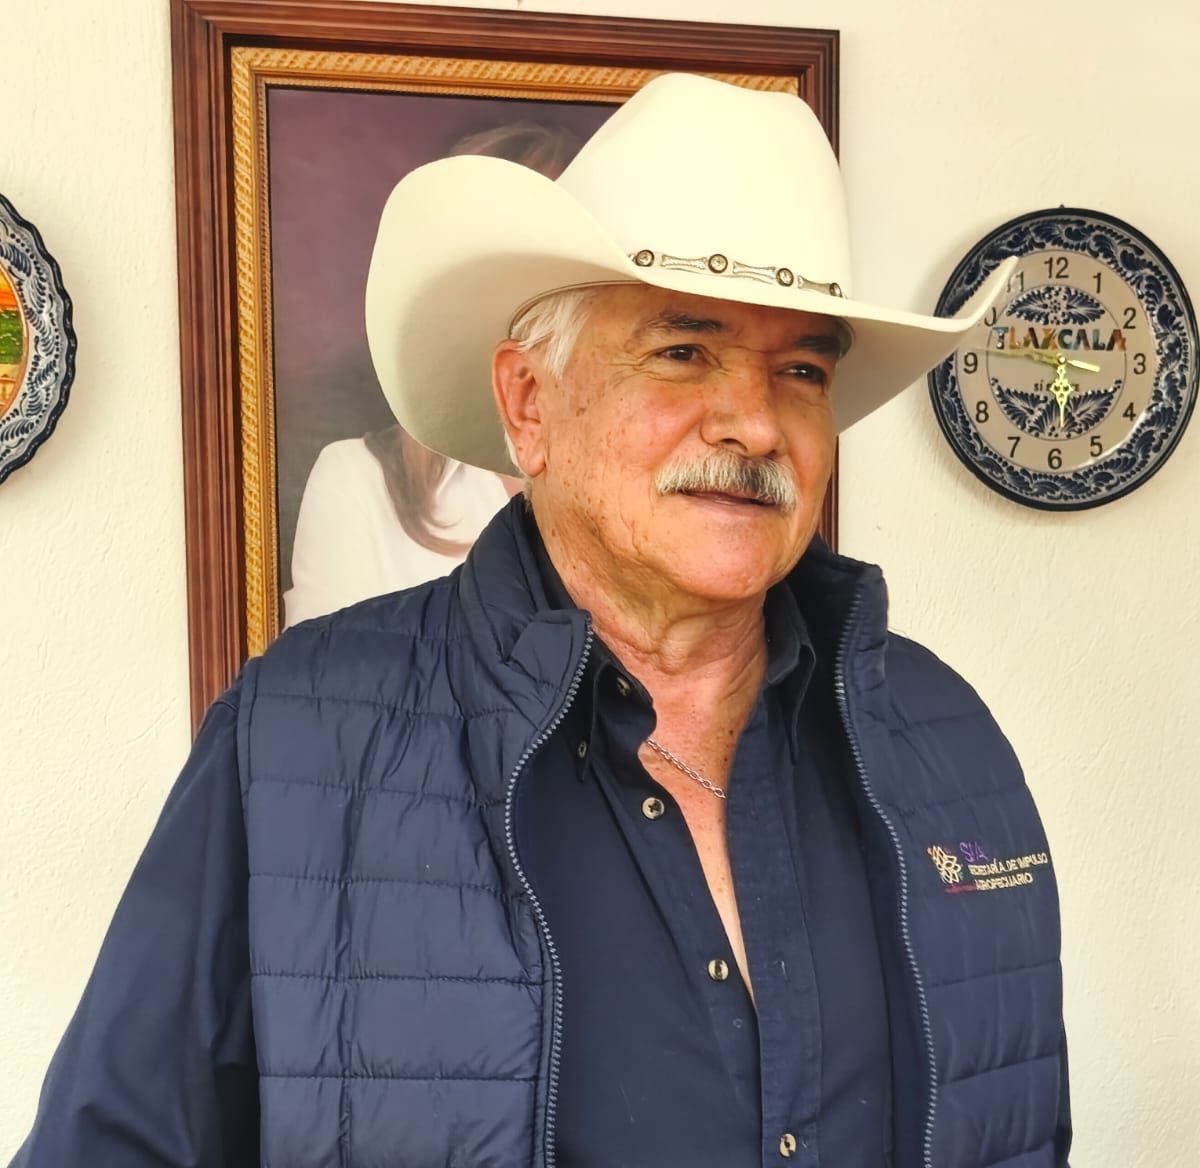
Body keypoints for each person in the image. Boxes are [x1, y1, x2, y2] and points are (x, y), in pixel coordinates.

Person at [10, 74, 1070, 1168]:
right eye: (682, 352)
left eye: (801, 369)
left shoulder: (944, 736)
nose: (756, 423)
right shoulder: (295, 740)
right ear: (529, 405)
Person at [283, 121, 581, 625]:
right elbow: (327, 673)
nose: (522, 288)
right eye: (494, 255)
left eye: (553, 257)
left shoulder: (647, 480)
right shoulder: (359, 482)